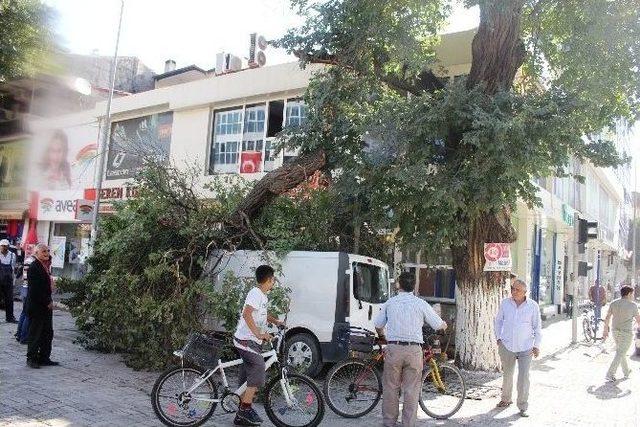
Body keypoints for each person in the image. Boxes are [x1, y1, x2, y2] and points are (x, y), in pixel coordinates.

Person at [374, 272, 447, 427]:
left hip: (394, 348)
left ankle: (389, 423)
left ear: (399, 284)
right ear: (413, 286)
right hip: (414, 350)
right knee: (411, 390)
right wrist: (444, 325)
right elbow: (438, 324)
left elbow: (378, 325)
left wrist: (383, 336)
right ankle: (408, 424)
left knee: (391, 388)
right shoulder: (420, 304)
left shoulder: (390, 302)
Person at [232, 265, 283, 426]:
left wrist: (276, 321)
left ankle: (240, 415)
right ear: (269, 279)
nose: (273, 282)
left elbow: (261, 314)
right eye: (273, 279)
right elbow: (247, 314)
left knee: (246, 376)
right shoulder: (255, 293)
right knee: (259, 366)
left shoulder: (262, 296)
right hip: (245, 340)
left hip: (252, 341)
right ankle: (245, 409)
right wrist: (258, 334)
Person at [494, 279, 542, 418]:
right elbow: (498, 321)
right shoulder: (505, 303)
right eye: (513, 288)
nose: (514, 292)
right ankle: (506, 399)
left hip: (526, 347)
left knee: (524, 377)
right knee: (507, 374)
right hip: (507, 345)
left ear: (525, 292)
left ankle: (522, 405)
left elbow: (537, 327)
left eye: (517, 290)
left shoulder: (533, 306)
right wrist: (498, 338)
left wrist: (536, 345)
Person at [25, 244, 59, 369]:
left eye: (48, 251)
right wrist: (47, 301)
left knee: (47, 333)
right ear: (36, 253)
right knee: (36, 333)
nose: (46, 253)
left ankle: (44, 357)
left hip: (45, 305)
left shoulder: (44, 266)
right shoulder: (34, 267)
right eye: (44, 251)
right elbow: (35, 290)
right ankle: (31, 358)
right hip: (37, 306)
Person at [602, 286, 640, 381]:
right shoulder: (633, 305)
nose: (633, 296)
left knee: (621, 351)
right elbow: (638, 320)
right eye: (632, 294)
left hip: (615, 331)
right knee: (620, 352)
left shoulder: (614, 303)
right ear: (629, 294)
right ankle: (610, 374)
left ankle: (626, 371)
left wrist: (605, 330)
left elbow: (607, 317)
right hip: (626, 332)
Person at [0, 238, 17, 323]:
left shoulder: (12, 255)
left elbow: (13, 268)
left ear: (8, 247)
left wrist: (13, 281)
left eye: (5, 246)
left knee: (9, 299)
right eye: (2, 246)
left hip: (8, 280)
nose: (3, 248)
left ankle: (10, 317)